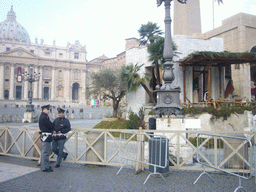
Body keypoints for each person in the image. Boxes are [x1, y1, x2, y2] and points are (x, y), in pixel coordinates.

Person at [39, 104, 54, 172]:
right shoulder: (44, 117)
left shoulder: (43, 116)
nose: (48, 111)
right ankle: (45, 167)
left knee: (43, 152)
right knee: (45, 152)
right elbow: (50, 125)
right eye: (47, 109)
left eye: (49, 109)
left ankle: (43, 165)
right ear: (44, 110)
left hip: (44, 135)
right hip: (46, 135)